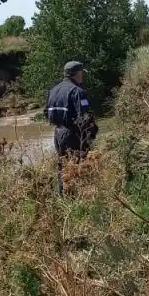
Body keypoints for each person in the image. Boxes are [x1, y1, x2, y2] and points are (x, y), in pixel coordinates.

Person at [45, 61, 98, 195]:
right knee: (79, 166)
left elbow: (46, 113)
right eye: (82, 74)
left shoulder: (53, 90)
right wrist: (91, 134)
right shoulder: (77, 92)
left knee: (63, 166)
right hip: (74, 135)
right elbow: (85, 117)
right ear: (78, 73)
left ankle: (63, 196)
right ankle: (81, 196)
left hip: (58, 134)